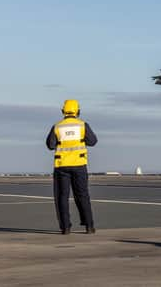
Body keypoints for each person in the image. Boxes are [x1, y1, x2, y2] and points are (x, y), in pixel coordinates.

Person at [46, 99, 98, 234]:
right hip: (79, 165)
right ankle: (89, 226)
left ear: (63, 111)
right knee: (83, 195)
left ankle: (65, 227)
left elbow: (50, 145)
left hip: (62, 166)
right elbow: (93, 141)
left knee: (62, 197)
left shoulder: (57, 126)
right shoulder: (82, 125)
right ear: (78, 111)